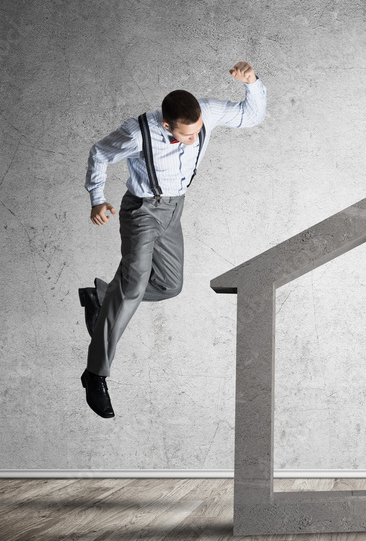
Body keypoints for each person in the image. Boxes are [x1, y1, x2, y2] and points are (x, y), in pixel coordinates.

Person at [78, 61, 266, 418]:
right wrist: (97, 199)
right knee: (132, 287)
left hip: (175, 209)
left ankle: (100, 296)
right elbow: (99, 153)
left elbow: (250, 115)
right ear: (166, 125)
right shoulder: (138, 133)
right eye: (186, 134)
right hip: (142, 212)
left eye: (197, 131)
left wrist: (252, 83)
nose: (194, 139)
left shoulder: (204, 114)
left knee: (169, 285)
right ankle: (95, 374)